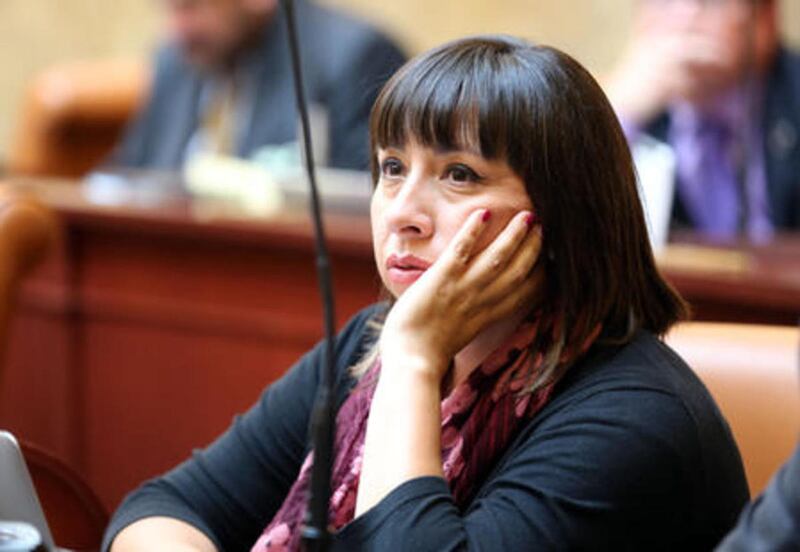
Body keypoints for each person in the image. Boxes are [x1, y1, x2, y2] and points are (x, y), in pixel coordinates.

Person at [103, 36, 749, 551]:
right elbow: (164, 508)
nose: (403, 212)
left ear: (563, 215)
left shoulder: (635, 419)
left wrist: (413, 362)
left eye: (459, 174)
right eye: (391, 167)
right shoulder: (368, 341)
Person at [110, 0, 406, 171]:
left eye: (192, 6)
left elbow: (364, 207)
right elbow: (127, 177)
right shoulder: (175, 61)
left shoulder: (353, 58)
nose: (177, 31)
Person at [605, 0, 800, 242]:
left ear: (765, 17)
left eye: (709, 1)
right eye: (663, 2)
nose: (684, 17)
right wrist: (617, 116)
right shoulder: (632, 109)